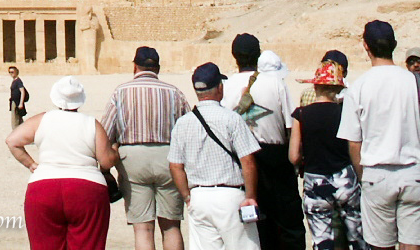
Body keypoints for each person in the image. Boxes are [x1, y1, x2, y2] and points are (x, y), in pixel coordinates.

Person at [336, 20, 420, 250]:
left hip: (377, 173)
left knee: (381, 245)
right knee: (412, 243)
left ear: (366, 46)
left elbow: (354, 143)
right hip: (413, 171)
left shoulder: (358, 87)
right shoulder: (414, 81)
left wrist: (363, 176)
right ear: (394, 44)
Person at [7, 76, 118, 250]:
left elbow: (12, 141)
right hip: (86, 189)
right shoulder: (91, 124)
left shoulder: (42, 120)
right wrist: (115, 151)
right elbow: (106, 160)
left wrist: (31, 164)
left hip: (44, 187)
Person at [102, 46, 190, 250]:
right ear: (158, 68)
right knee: (171, 226)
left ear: (135, 67)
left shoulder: (120, 92)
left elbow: (106, 132)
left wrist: (106, 166)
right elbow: (188, 129)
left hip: (133, 159)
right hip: (169, 158)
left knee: (143, 229)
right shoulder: (174, 92)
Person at [222, 35, 303, 250]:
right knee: (288, 224)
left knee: (254, 225)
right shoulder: (275, 83)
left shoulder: (227, 86)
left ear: (234, 56)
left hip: (241, 160)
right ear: (258, 55)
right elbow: (290, 125)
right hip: (276, 159)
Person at [168, 63, 261, 250]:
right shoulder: (231, 118)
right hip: (229, 195)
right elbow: (248, 162)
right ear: (220, 87)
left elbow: (175, 165)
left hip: (199, 196)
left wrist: (187, 197)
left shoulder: (183, 123)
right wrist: (250, 196)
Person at [290, 60, 365, 250]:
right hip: (346, 180)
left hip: (316, 183)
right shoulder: (344, 112)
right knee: (357, 239)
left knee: (322, 241)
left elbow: (293, 156)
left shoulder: (301, 114)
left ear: (315, 86)